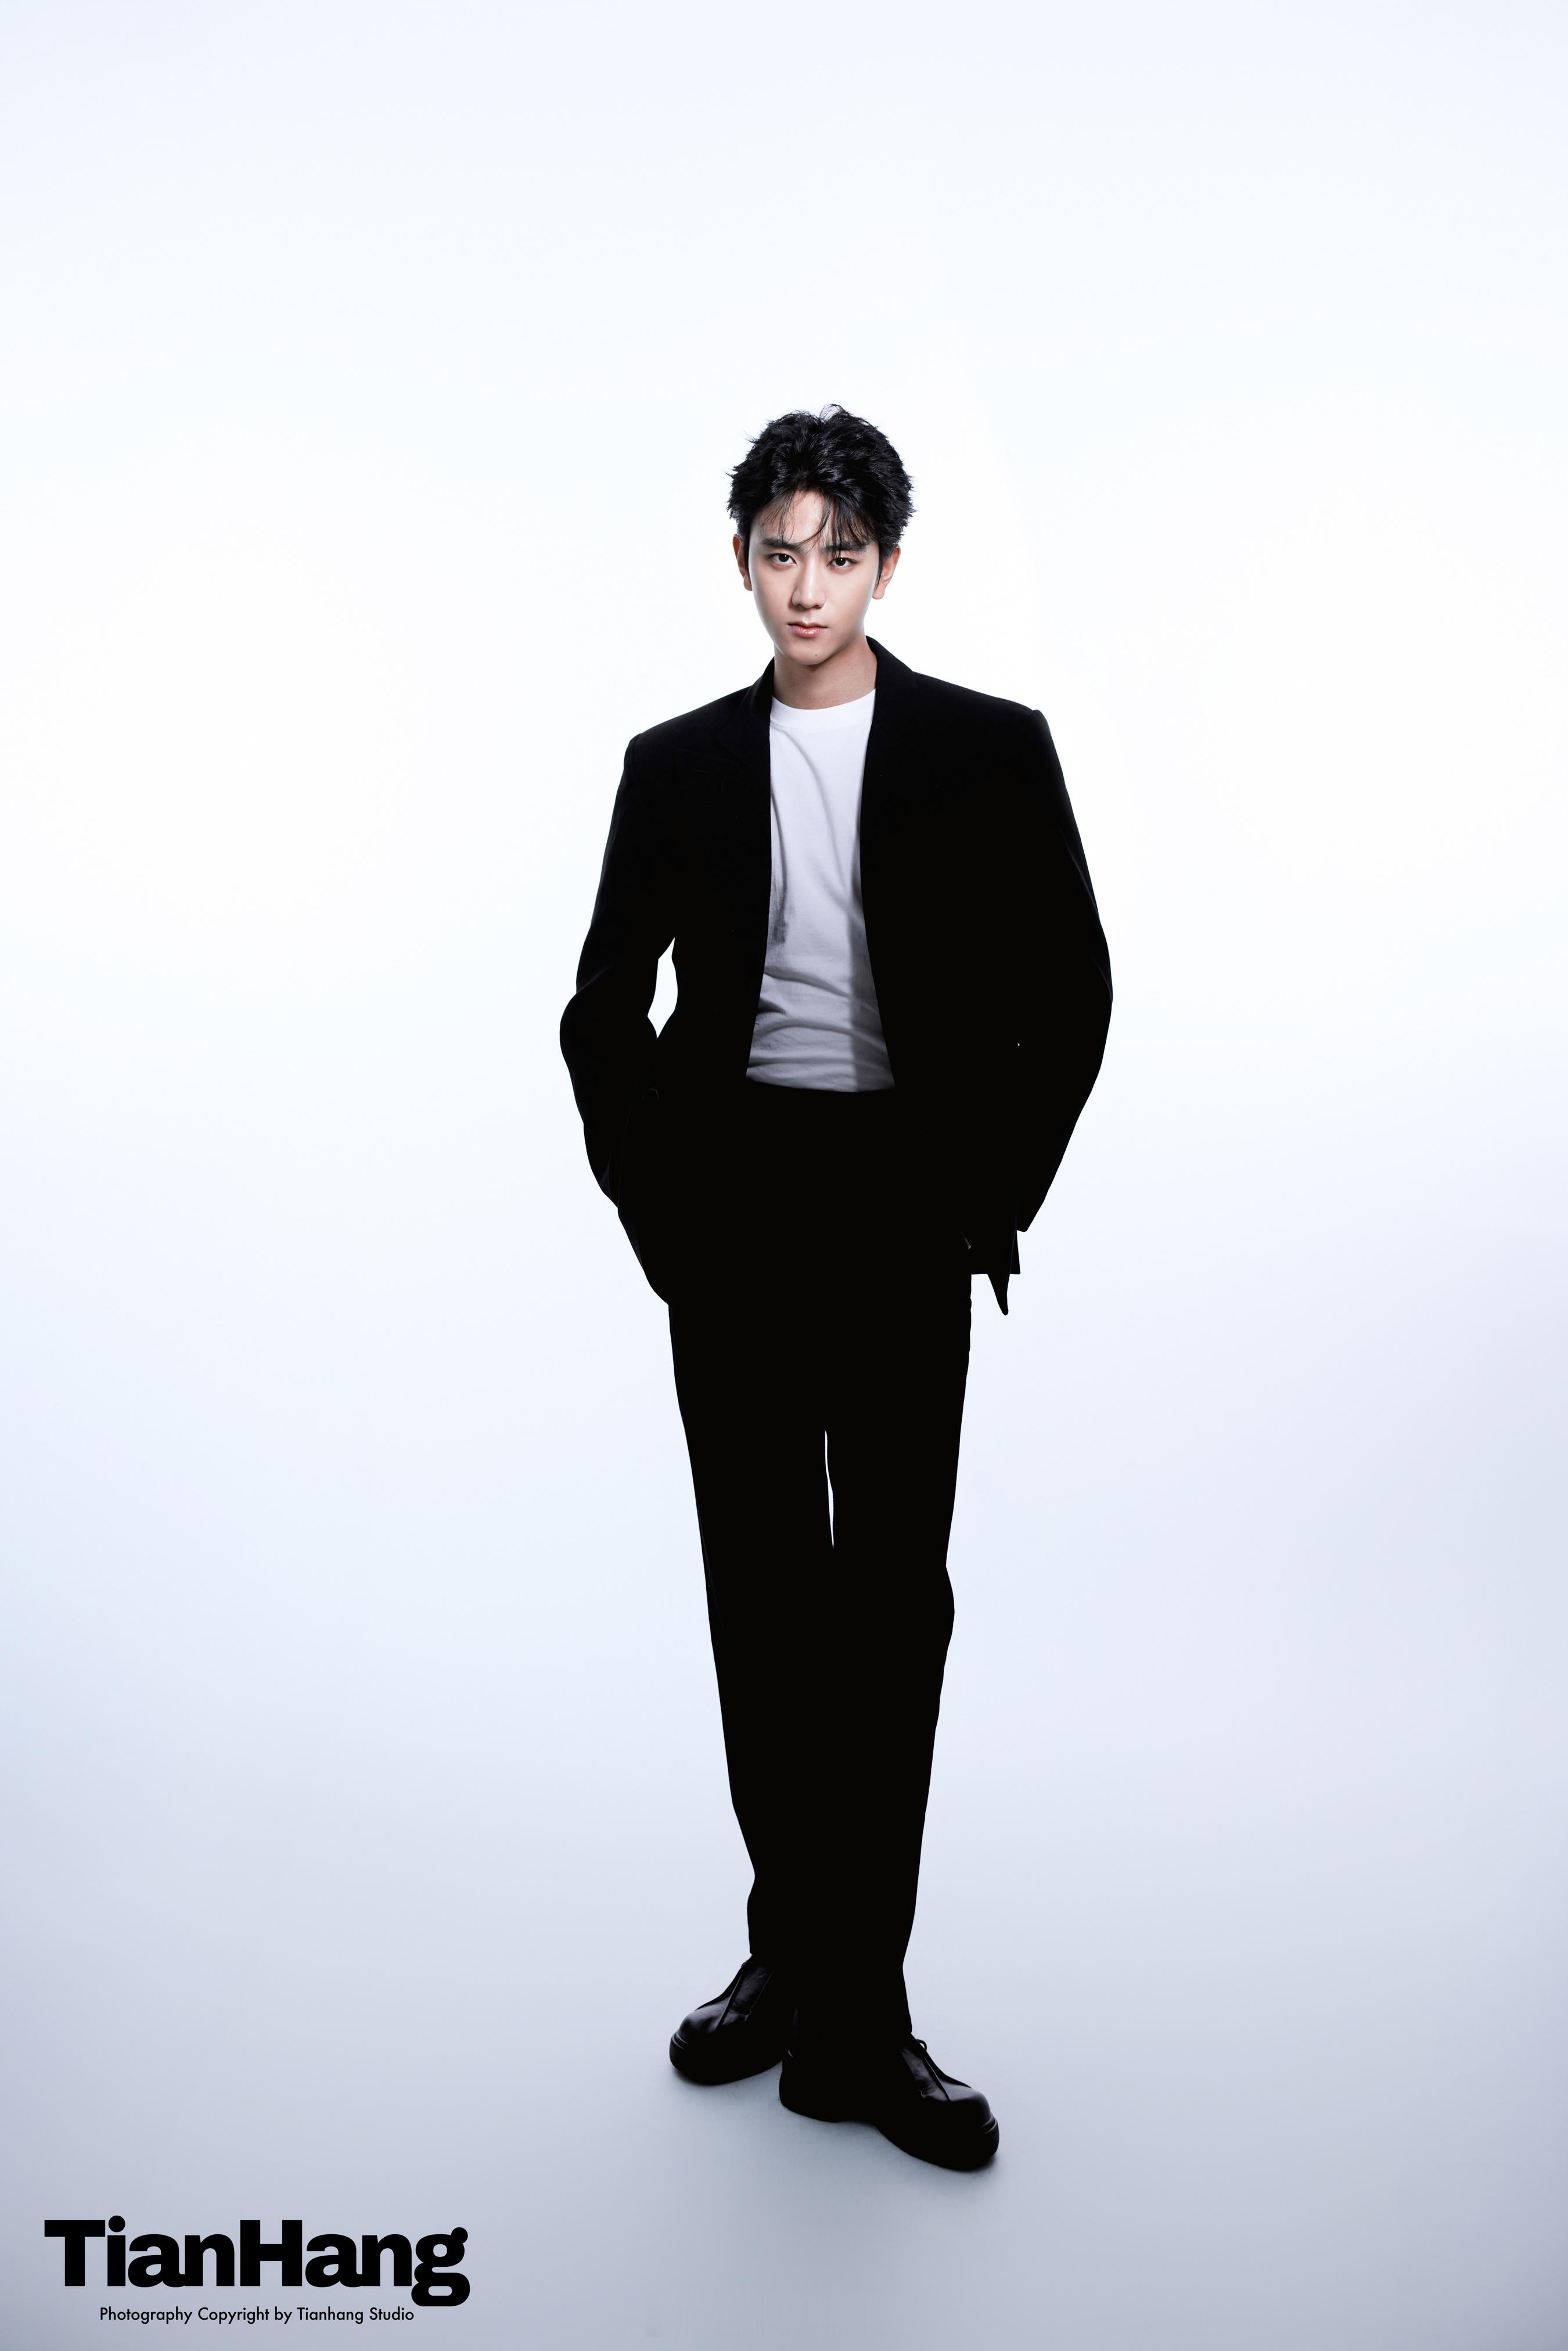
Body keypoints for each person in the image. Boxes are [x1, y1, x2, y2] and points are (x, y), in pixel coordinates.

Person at [560, 406, 1112, 2170]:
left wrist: (979, 1201)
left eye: (841, 554)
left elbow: (1073, 993)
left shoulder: (989, 748)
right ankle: (791, 1961)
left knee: (887, 1611)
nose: (807, 586)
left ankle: (862, 2015)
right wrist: (663, 1207)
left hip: (900, 1213)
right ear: (740, 561)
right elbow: (601, 1013)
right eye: (779, 552)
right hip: (734, 1210)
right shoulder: (673, 765)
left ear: (886, 565)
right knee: (761, 1602)